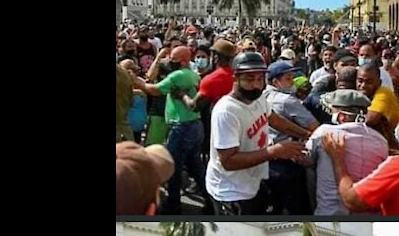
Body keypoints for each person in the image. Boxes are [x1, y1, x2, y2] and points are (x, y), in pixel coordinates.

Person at [206, 51, 307, 215]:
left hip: (253, 182)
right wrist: (274, 151)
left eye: (260, 79)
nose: (256, 85)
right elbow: (228, 161)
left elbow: (275, 120)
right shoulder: (227, 111)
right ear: (235, 78)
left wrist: (306, 134)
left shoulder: (258, 98)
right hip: (231, 191)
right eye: (249, 79)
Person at [132, 45, 205, 213]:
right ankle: (212, 201)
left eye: (173, 60)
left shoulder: (179, 75)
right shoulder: (192, 74)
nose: (170, 62)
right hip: (194, 125)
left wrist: (136, 80)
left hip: (182, 127)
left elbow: (155, 90)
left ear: (184, 61)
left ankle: (173, 205)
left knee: (173, 166)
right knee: (195, 167)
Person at [304, 90, 388, 215]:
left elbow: (306, 159)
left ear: (342, 116)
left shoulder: (325, 132)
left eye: (333, 111)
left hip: (330, 212)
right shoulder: (381, 141)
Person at [262, 61, 319, 215]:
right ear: (276, 82)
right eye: (288, 79)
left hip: (266, 158)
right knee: (299, 207)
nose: (293, 82)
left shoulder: (261, 96)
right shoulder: (287, 101)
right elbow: (315, 126)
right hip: (290, 159)